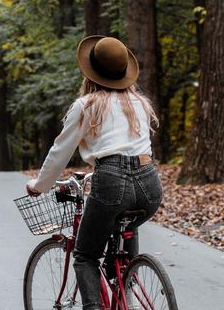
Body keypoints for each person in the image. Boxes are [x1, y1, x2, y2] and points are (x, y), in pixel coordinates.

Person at [25, 35, 163, 310]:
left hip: (112, 181)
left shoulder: (86, 105)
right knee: (126, 225)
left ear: (91, 71)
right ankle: (126, 280)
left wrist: (39, 185)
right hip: (150, 183)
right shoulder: (139, 103)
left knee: (85, 256)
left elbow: (60, 152)